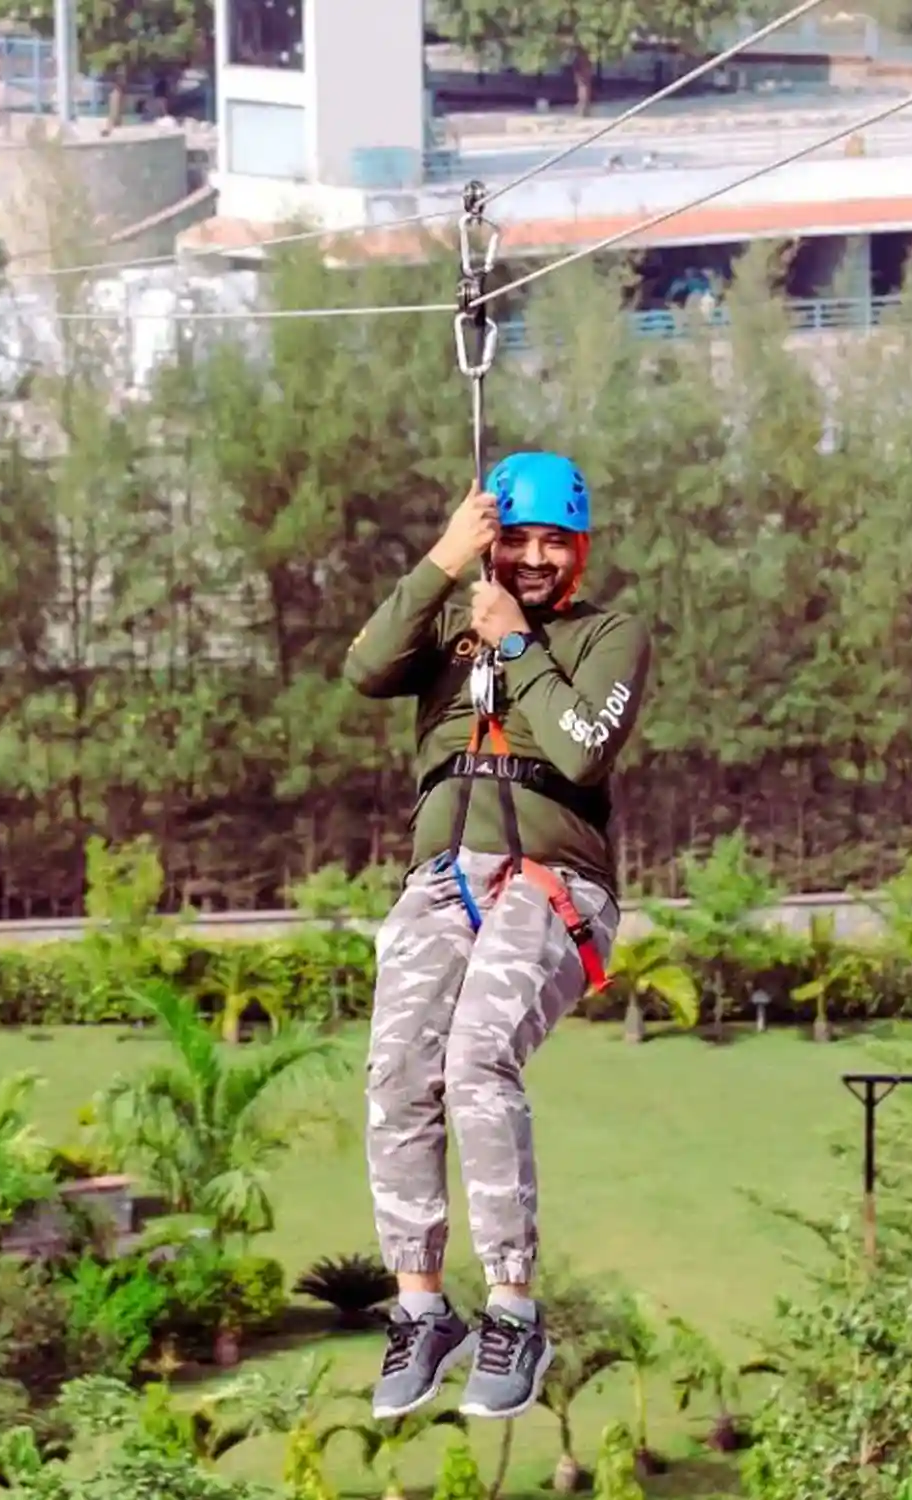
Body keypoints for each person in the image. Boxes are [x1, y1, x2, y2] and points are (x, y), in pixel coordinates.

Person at [342, 451, 654, 1421]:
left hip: (552, 882)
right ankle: (422, 1306)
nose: (530, 558)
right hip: (442, 879)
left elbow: (581, 746)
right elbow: (363, 670)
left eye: (551, 542)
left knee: (478, 1060)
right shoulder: (450, 627)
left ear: (580, 551)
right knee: (399, 1078)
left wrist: (517, 647)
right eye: (513, 540)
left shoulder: (611, 635)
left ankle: (513, 1308)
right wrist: (443, 561)